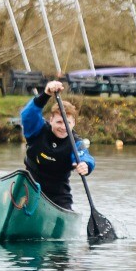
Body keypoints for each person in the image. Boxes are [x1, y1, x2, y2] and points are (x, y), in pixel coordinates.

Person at [20, 81, 96, 210]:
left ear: (74, 123)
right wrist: (45, 95)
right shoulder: (38, 131)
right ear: (51, 120)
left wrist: (86, 165)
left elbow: (85, 158)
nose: (63, 127)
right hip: (29, 188)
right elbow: (27, 116)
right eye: (59, 122)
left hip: (58, 196)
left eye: (67, 123)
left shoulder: (76, 143)